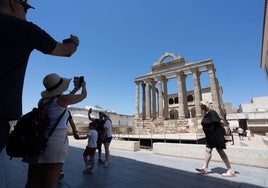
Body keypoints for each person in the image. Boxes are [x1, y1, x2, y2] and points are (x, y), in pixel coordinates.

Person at [0, 0, 79, 154]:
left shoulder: (42, 102)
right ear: (14, 3)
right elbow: (65, 51)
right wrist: (74, 43)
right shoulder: (23, 29)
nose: (26, 15)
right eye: (25, 9)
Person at [24, 73, 87, 188]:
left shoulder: (42, 101)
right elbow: (83, 96)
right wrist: (83, 86)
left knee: (32, 182)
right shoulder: (62, 100)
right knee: (48, 184)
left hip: (38, 141)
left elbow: (64, 98)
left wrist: (74, 89)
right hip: (54, 144)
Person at [195, 101, 235, 177]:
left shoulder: (212, 112)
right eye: (200, 105)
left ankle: (230, 170)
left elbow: (220, 122)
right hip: (209, 136)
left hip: (215, 136)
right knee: (208, 150)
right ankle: (205, 167)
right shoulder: (206, 114)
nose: (200, 107)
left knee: (220, 151)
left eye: (202, 105)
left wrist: (224, 131)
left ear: (206, 105)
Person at [58, 109, 79, 181]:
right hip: (61, 135)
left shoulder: (43, 105)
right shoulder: (66, 111)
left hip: (46, 135)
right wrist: (75, 133)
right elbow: (72, 123)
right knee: (60, 154)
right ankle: (60, 170)